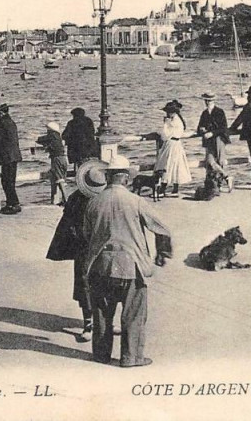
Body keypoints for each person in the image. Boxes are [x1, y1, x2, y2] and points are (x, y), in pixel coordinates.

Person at [82, 155, 172, 367]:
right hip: (131, 266)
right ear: (124, 178)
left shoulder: (93, 202)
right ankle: (131, 357)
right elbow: (162, 228)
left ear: (108, 177)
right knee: (133, 313)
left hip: (100, 265)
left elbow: (87, 235)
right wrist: (162, 251)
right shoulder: (136, 201)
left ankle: (101, 355)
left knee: (102, 314)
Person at [46, 159, 107, 342]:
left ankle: (101, 320)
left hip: (99, 246)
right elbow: (68, 224)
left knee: (99, 283)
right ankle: (89, 322)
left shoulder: (101, 198)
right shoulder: (77, 199)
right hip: (84, 245)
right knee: (85, 284)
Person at [152, 100, 192, 198]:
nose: (167, 114)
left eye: (168, 112)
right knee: (176, 166)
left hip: (171, 145)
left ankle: (162, 190)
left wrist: (165, 123)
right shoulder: (178, 120)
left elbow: (164, 135)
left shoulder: (173, 121)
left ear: (171, 112)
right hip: (177, 144)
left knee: (166, 165)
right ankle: (175, 190)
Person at [196, 93, 233, 191]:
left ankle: (218, 185)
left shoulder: (219, 112)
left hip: (219, 139)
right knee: (211, 162)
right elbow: (198, 127)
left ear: (213, 101)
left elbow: (224, 128)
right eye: (206, 100)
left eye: (209, 100)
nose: (207, 102)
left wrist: (212, 133)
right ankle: (227, 177)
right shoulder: (204, 113)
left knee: (220, 161)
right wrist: (201, 129)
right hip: (209, 141)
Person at [36, 122, 68, 205]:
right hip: (63, 159)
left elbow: (40, 139)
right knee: (57, 179)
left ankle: (66, 199)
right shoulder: (58, 137)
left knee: (60, 180)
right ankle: (57, 200)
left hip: (56, 159)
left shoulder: (52, 135)